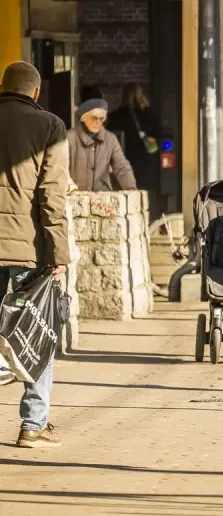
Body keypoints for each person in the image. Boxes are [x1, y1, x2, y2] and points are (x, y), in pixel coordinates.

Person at [0, 61, 70, 448]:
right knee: (36, 333)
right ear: (36, 92)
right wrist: (58, 253)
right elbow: (51, 198)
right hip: (29, 251)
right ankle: (33, 424)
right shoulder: (50, 127)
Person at [108, 84, 161, 211]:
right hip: (146, 160)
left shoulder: (115, 116)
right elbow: (159, 133)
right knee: (146, 191)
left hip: (124, 158)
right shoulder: (148, 115)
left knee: (126, 190)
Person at [68, 98, 136, 192]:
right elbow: (60, 168)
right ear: (83, 118)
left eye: (101, 119)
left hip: (103, 196)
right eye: (94, 118)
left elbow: (121, 166)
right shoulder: (69, 138)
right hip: (76, 195)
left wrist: (131, 190)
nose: (98, 122)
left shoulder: (110, 139)